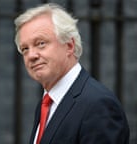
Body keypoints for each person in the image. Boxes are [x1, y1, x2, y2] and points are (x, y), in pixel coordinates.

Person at [14, 3, 129, 144]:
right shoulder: (46, 105)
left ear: (69, 46)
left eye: (41, 43)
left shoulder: (98, 105)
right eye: (25, 48)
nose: (31, 55)